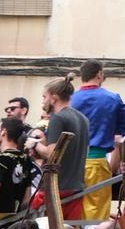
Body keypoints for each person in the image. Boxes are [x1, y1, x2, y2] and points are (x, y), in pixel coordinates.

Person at [69, 61, 125, 220]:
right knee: (96, 216)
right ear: (99, 74)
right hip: (96, 162)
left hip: (71, 165)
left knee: (72, 210)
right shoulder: (112, 98)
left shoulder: (70, 99)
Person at [38, 78, 92, 218]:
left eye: (45, 97)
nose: (43, 101)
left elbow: (52, 154)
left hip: (57, 188)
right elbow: (84, 151)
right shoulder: (83, 119)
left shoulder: (58, 118)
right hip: (77, 187)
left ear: (54, 98)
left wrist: (35, 145)